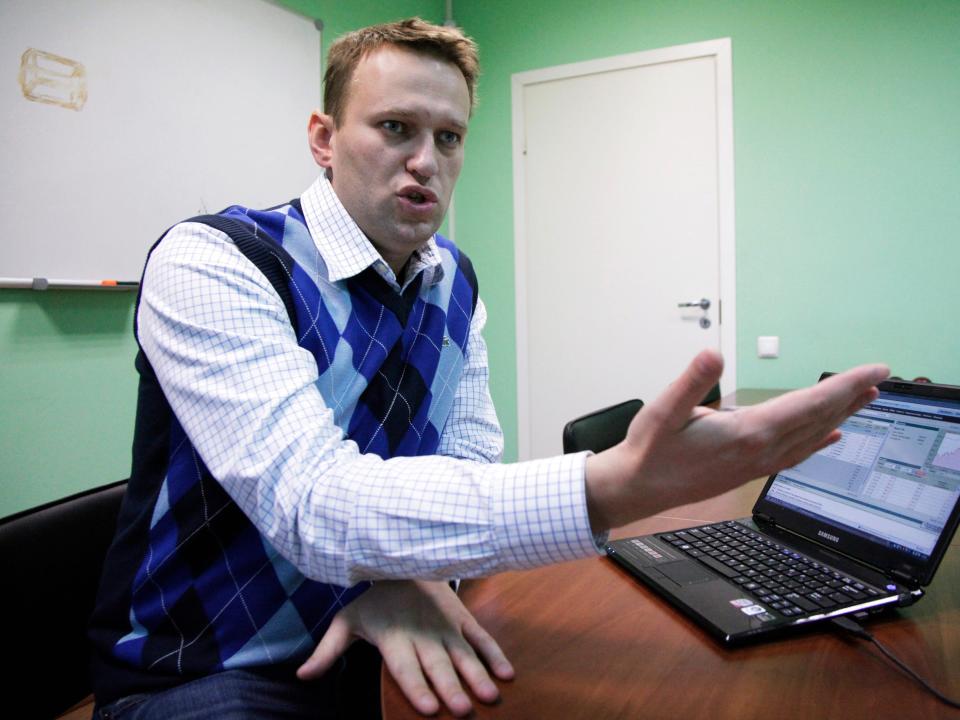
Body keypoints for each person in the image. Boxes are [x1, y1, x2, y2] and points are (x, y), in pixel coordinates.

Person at [89, 17, 889, 720]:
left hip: (396, 614)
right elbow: (313, 503)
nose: (425, 161)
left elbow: (467, 458)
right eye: (395, 127)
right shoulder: (217, 262)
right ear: (324, 138)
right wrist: (612, 484)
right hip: (211, 665)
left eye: (449, 137)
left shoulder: (454, 280)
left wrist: (397, 579)